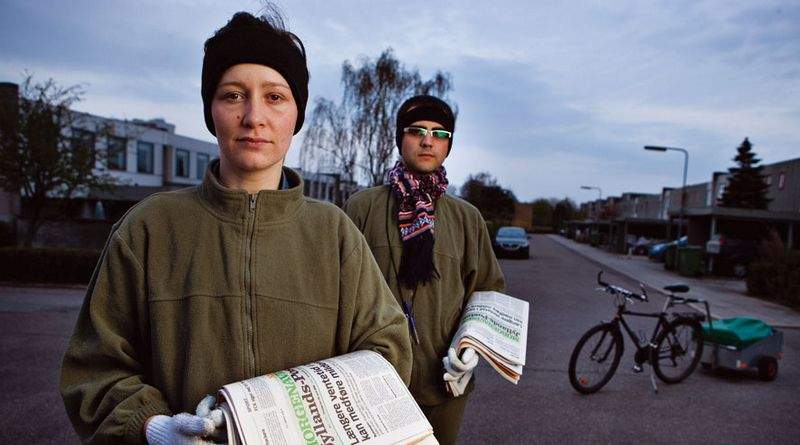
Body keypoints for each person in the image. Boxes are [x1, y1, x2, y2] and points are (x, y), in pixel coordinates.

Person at [59, 11, 411, 444]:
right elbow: (94, 371)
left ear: (296, 113)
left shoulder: (334, 234)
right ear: (211, 109)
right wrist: (152, 428)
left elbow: (387, 350)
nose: (254, 116)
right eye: (233, 95)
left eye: (275, 97)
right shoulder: (148, 228)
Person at [344, 95, 506, 444]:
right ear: (400, 139)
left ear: (449, 144)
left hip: (444, 386)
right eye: (416, 130)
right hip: (373, 381)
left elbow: (488, 294)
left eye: (440, 133)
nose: (427, 140)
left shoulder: (467, 219)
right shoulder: (361, 208)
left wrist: (471, 348)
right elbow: (337, 292)